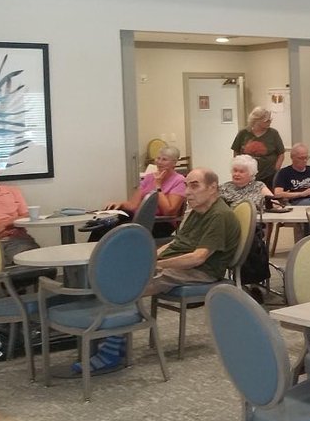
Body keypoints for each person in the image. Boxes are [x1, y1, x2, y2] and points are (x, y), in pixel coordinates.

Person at [123, 168, 240, 374]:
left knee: (127, 286)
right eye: (186, 185)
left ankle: (113, 344)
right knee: (125, 274)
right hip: (179, 265)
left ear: (213, 188)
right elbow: (176, 242)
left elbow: (198, 258)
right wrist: (151, 257)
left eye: (194, 185)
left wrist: (157, 265)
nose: (187, 192)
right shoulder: (197, 211)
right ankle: (113, 337)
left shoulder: (220, 216)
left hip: (201, 272)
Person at [89, 144, 186, 241]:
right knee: (102, 226)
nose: (159, 162)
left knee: (117, 233)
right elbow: (133, 205)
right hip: (138, 219)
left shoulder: (179, 181)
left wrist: (158, 186)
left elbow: (169, 211)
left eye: (164, 159)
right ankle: (92, 255)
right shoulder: (149, 177)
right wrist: (119, 204)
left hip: (159, 223)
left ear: (174, 163)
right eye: (158, 158)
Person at [218, 154, 273, 297]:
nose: (236, 174)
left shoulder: (259, 186)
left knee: (253, 240)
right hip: (228, 229)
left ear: (251, 174)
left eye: (241, 171)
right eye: (235, 170)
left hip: (252, 229)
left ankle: (252, 284)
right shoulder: (224, 188)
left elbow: (274, 204)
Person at [230, 106, 285, 189]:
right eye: (267, 120)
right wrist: (238, 168)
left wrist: (275, 170)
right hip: (247, 175)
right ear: (257, 121)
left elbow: (281, 154)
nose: (270, 122)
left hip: (268, 175)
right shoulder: (243, 133)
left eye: (270, 119)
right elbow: (236, 152)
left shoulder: (273, 133)